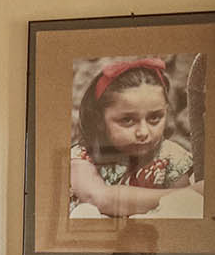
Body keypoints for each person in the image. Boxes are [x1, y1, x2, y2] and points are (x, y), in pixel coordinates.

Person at [69, 58, 193, 219]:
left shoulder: (172, 157)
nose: (143, 132)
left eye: (154, 118)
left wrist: (186, 197)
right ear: (99, 120)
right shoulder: (81, 157)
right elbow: (98, 198)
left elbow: (183, 213)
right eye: (127, 120)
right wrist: (184, 194)